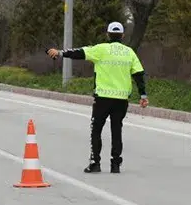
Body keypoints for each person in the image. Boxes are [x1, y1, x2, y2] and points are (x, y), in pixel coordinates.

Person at [47, 21, 148, 174]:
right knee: (116, 130)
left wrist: (60, 52)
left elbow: (79, 52)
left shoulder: (101, 49)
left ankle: (95, 163)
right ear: (122, 35)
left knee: (96, 130)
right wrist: (143, 95)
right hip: (121, 100)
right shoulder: (129, 52)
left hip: (102, 98)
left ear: (108, 34)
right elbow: (139, 75)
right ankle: (115, 165)